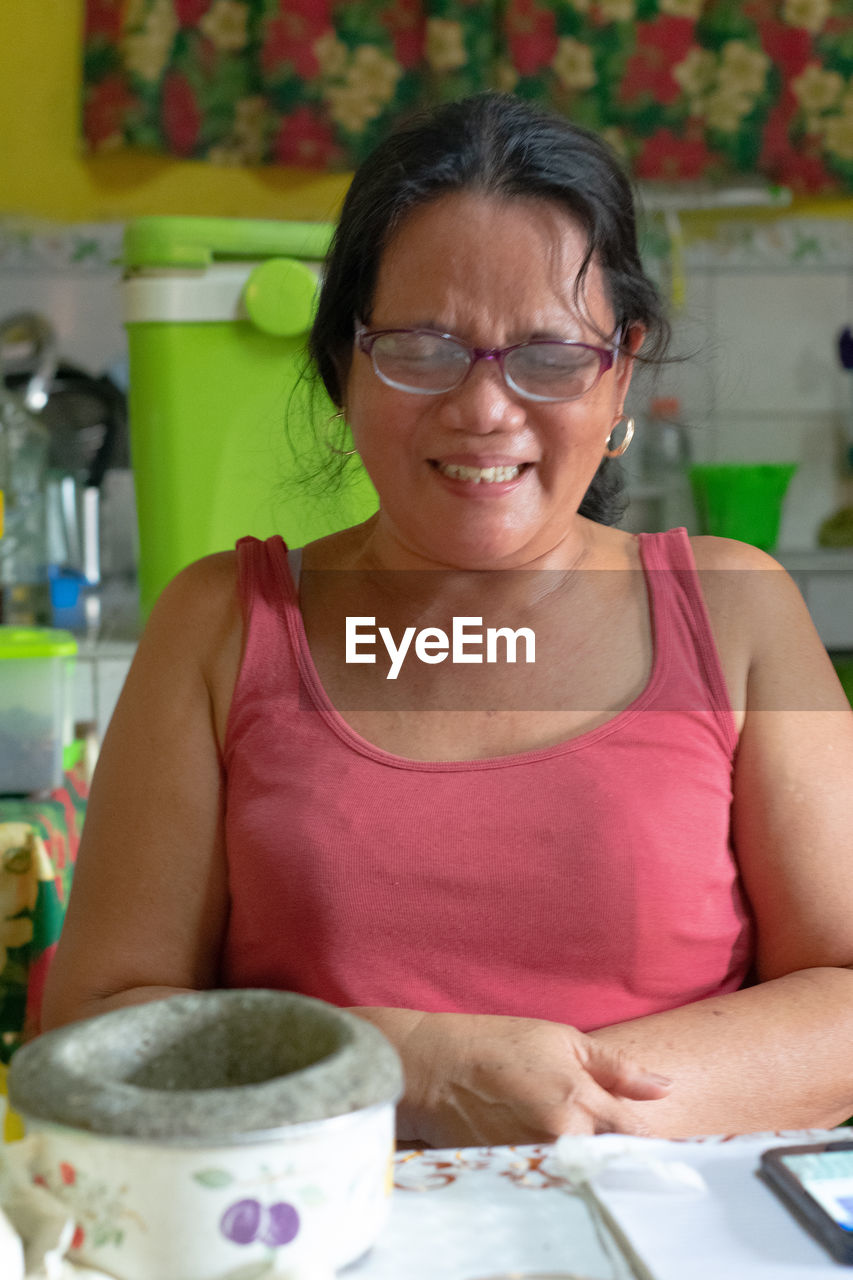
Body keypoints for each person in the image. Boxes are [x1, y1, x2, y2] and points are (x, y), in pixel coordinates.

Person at [42, 93, 853, 1148]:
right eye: (421, 349)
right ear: (342, 364)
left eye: (551, 355)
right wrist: (401, 1067)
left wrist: (573, 1095)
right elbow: (95, 1032)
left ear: (621, 373)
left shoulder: (734, 611)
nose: (484, 410)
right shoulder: (220, 625)